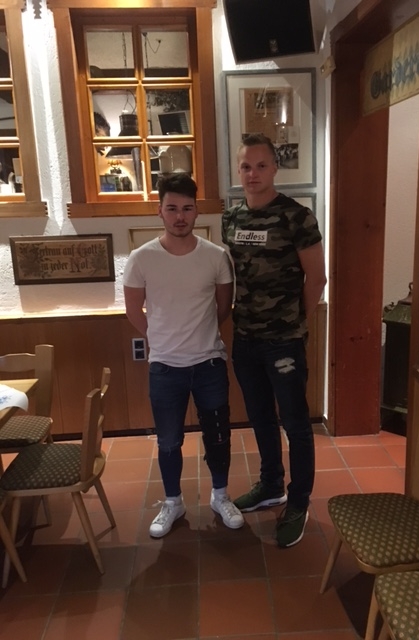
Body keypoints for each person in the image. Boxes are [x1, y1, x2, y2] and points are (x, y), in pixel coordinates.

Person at [124, 173, 244, 538]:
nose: (180, 216)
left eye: (187, 209)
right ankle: (173, 501)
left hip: (209, 363)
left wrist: (198, 335)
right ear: (159, 211)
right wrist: (161, 339)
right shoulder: (141, 259)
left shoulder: (216, 257)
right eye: (172, 208)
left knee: (218, 436)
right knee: (168, 441)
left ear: (196, 211)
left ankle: (220, 496)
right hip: (165, 367)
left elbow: (222, 309)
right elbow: (133, 311)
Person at [222, 133, 326, 548]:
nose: (253, 174)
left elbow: (316, 278)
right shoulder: (231, 218)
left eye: (261, 166)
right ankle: (270, 485)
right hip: (245, 338)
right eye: (246, 166)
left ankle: (298, 501)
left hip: (283, 341)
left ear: (275, 169)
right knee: (260, 417)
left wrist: (296, 323)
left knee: (295, 423)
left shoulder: (297, 217)